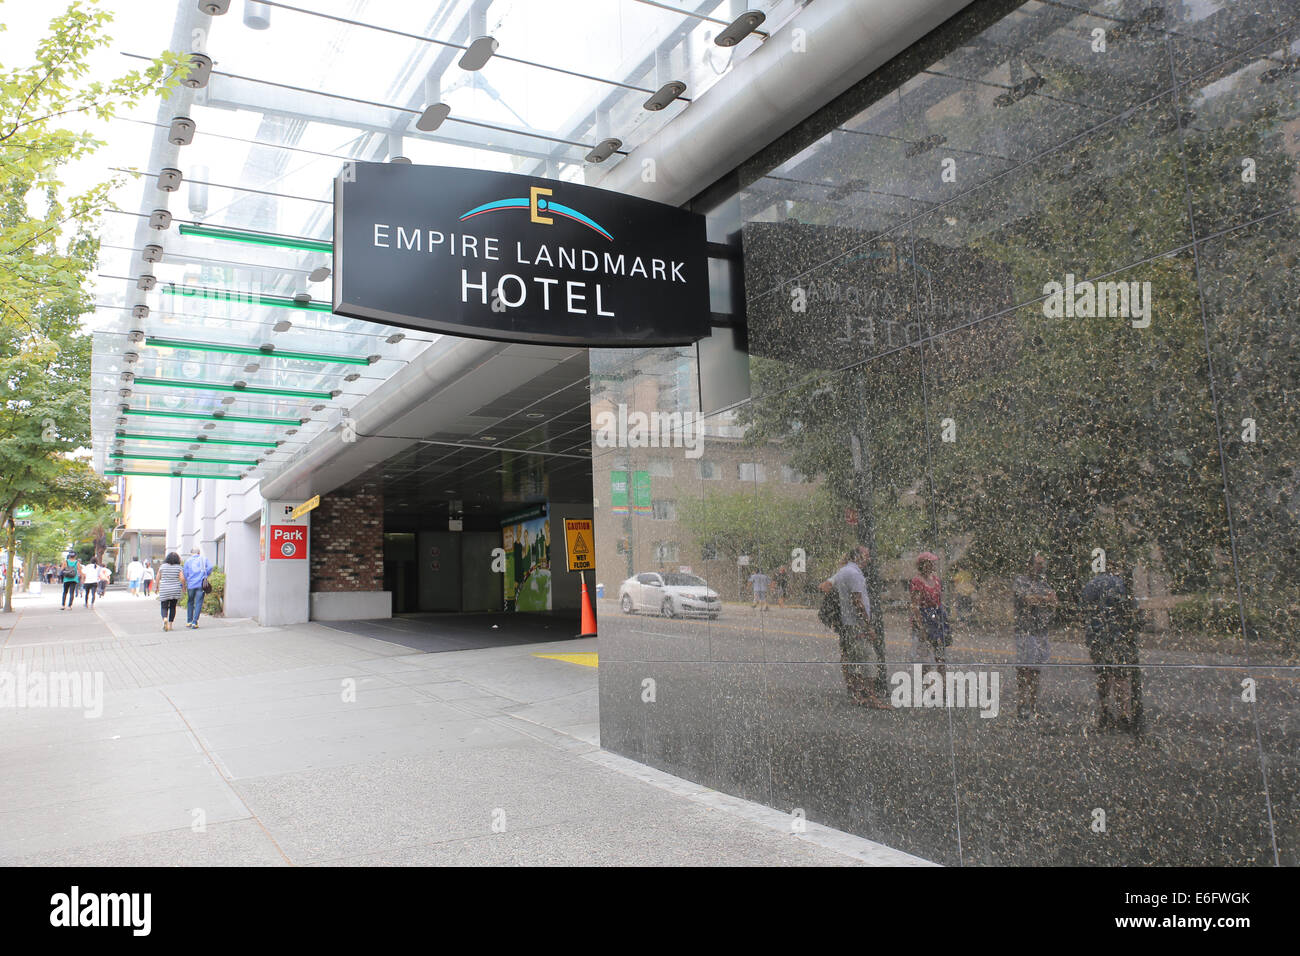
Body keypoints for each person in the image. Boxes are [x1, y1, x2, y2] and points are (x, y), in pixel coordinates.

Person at [820, 546, 890, 708]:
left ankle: (856, 695)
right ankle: (872, 698)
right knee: (869, 658)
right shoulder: (855, 573)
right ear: (858, 556)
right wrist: (868, 626)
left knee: (852, 659)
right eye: (866, 556)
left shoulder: (843, 571)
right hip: (857, 625)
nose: (868, 559)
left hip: (848, 624)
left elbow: (826, 586)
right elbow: (857, 601)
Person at [1080, 562, 1144, 736]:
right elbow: (1132, 610)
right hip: (1117, 636)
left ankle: (1104, 710)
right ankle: (1123, 713)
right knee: (1121, 675)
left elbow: (1083, 606)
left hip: (1097, 635)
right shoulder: (1120, 584)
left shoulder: (1091, 584)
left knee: (1103, 674)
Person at [1013, 552, 1058, 719]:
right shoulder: (1020, 581)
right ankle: (1022, 702)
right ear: (1029, 565)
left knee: (1036, 670)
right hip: (1025, 630)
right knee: (1025, 668)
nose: (1041, 567)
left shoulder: (1043, 582)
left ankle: (1033, 704)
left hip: (1041, 630)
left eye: (1042, 564)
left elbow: (1054, 600)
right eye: (1038, 563)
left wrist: (1041, 599)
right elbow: (1027, 599)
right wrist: (1043, 598)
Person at [910, 552, 950, 679]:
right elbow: (915, 605)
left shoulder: (936, 579)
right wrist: (920, 627)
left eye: (934, 562)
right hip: (924, 618)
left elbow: (939, 600)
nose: (933, 565)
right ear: (923, 564)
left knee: (940, 655)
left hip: (937, 618)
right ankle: (928, 685)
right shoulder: (917, 581)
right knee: (925, 657)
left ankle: (942, 685)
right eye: (931, 562)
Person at [182, 547, 214, 629]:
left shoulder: (188, 561)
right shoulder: (204, 559)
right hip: (200, 584)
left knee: (190, 602)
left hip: (191, 584)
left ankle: (189, 621)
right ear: (199, 553)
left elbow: (185, 573)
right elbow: (210, 567)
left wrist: (188, 580)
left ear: (191, 553)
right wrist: (206, 574)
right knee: (198, 602)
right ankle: (194, 622)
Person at [156, 551, 185, 632]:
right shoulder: (179, 567)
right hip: (175, 589)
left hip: (164, 589)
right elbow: (182, 578)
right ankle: (170, 625)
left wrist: (156, 587)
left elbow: (158, 577)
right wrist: (183, 588)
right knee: (173, 607)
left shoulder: (162, 566)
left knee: (164, 606)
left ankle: (165, 618)